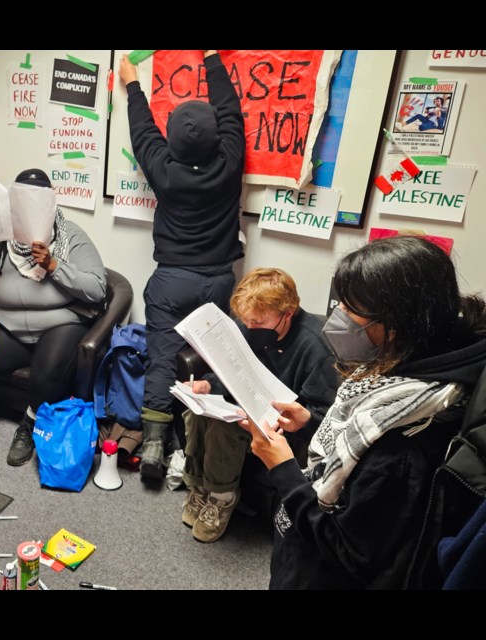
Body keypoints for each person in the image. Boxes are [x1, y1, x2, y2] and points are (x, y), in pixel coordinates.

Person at [243, 236, 486, 589]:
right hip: (301, 549)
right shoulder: (397, 369)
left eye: (350, 306)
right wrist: (310, 425)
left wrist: (283, 471)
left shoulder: (407, 433)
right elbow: (357, 456)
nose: (337, 313)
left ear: (396, 321)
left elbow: (349, 551)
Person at [119, 50, 245, 481]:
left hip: (171, 281)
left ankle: (154, 443)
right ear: (216, 140)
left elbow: (142, 131)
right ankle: (194, 451)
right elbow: (231, 111)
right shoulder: (229, 163)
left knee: (162, 359)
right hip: (218, 282)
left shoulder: (164, 169)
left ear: (172, 141)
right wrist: (211, 58)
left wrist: (134, 84)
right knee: (211, 364)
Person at [0, 169, 107, 483]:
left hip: (60, 323)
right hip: (9, 325)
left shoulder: (70, 236)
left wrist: (53, 265)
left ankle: (29, 426)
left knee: (49, 365)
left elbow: (97, 288)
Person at [181, 268, 338, 543]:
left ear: (287, 314)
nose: (249, 328)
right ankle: (198, 487)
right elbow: (232, 374)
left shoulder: (315, 347)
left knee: (224, 424)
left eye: (258, 321)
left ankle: (221, 498)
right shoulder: (250, 326)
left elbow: (325, 419)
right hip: (249, 404)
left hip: (287, 428)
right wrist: (208, 386)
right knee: (196, 412)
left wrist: (298, 417)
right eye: (245, 321)